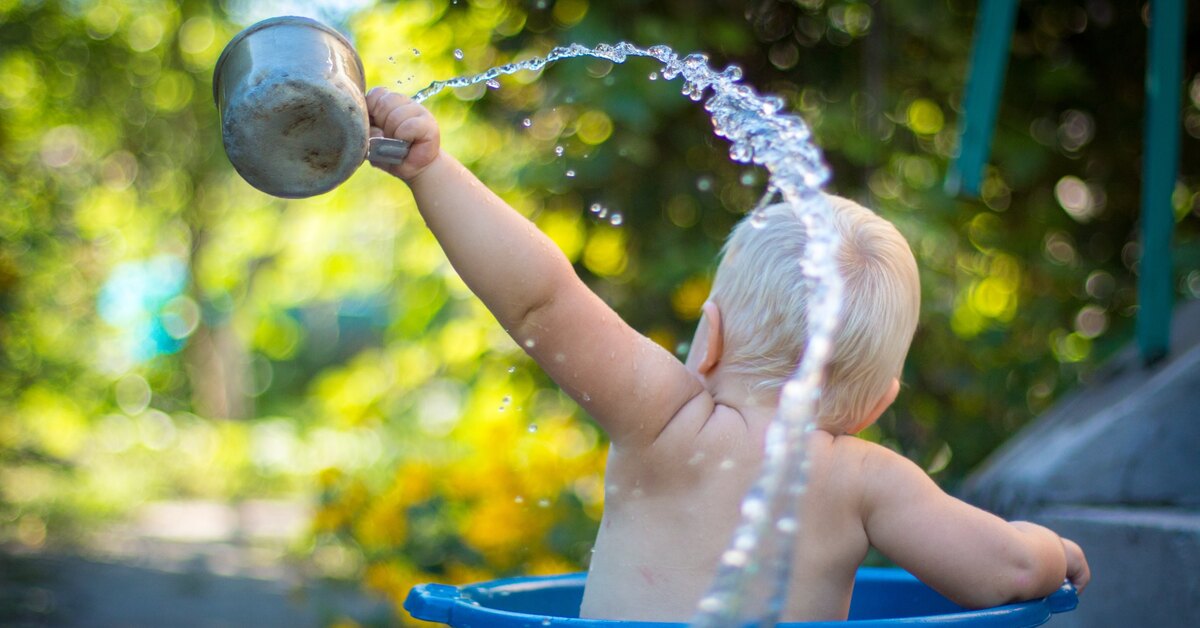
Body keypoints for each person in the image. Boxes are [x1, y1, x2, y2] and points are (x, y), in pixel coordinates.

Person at [363, 87, 1090, 622]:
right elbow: (1008, 571)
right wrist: (1053, 550)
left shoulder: (665, 421)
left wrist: (432, 168)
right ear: (878, 403)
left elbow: (541, 300)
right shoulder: (866, 481)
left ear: (706, 337)